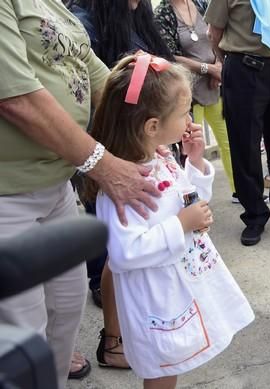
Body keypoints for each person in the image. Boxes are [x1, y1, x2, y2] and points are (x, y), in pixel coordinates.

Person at [0, 1, 162, 388]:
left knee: (66, 307)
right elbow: (17, 100)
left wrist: (160, 107)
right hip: (8, 194)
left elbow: (93, 70)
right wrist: (102, 164)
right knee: (23, 329)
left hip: (55, 185)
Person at [90, 53, 254, 389]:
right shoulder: (120, 190)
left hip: (178, 284)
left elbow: (189, 199)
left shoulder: (162, 158)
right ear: (152, 126)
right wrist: (181, 224)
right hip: (155, 297)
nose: (189, 120)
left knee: (172, 363)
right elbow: (122, 254)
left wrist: (195, 163)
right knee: (161, 368)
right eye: (184, 113)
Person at [205, 0, 270, 246]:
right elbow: (214, 31)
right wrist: (232, 63)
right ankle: (255, 215)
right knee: (244, 146)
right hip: (244, 68)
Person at [154, 0, 238, 200]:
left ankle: (241, 191)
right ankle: (190, 198)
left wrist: (218, 65)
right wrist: (208, 69)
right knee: (190, 147)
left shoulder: (201, 3)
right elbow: (170, 56)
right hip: (186, 96)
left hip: (213, 88)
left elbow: (219, 37)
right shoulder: (162, 13)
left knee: (229, 142)